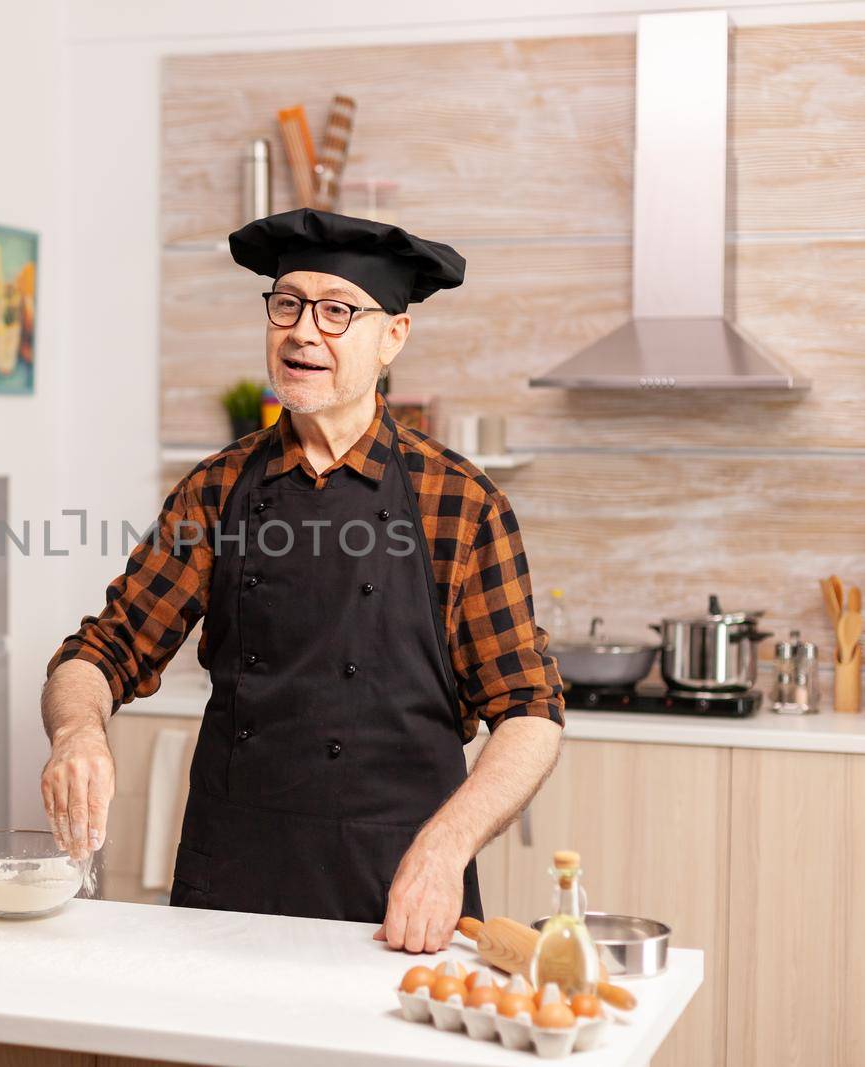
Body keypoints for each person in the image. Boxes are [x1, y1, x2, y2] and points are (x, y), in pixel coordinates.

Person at [41, 208, 564, 954]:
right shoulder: (217, 489)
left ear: (393, 337)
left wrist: (446, 848)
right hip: (228, 888)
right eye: (286, 303)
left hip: (399, 891)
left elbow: (530, 710)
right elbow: (101, 651)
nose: (302, 331)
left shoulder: (461, 503)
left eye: (336, 311)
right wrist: (77, 730)